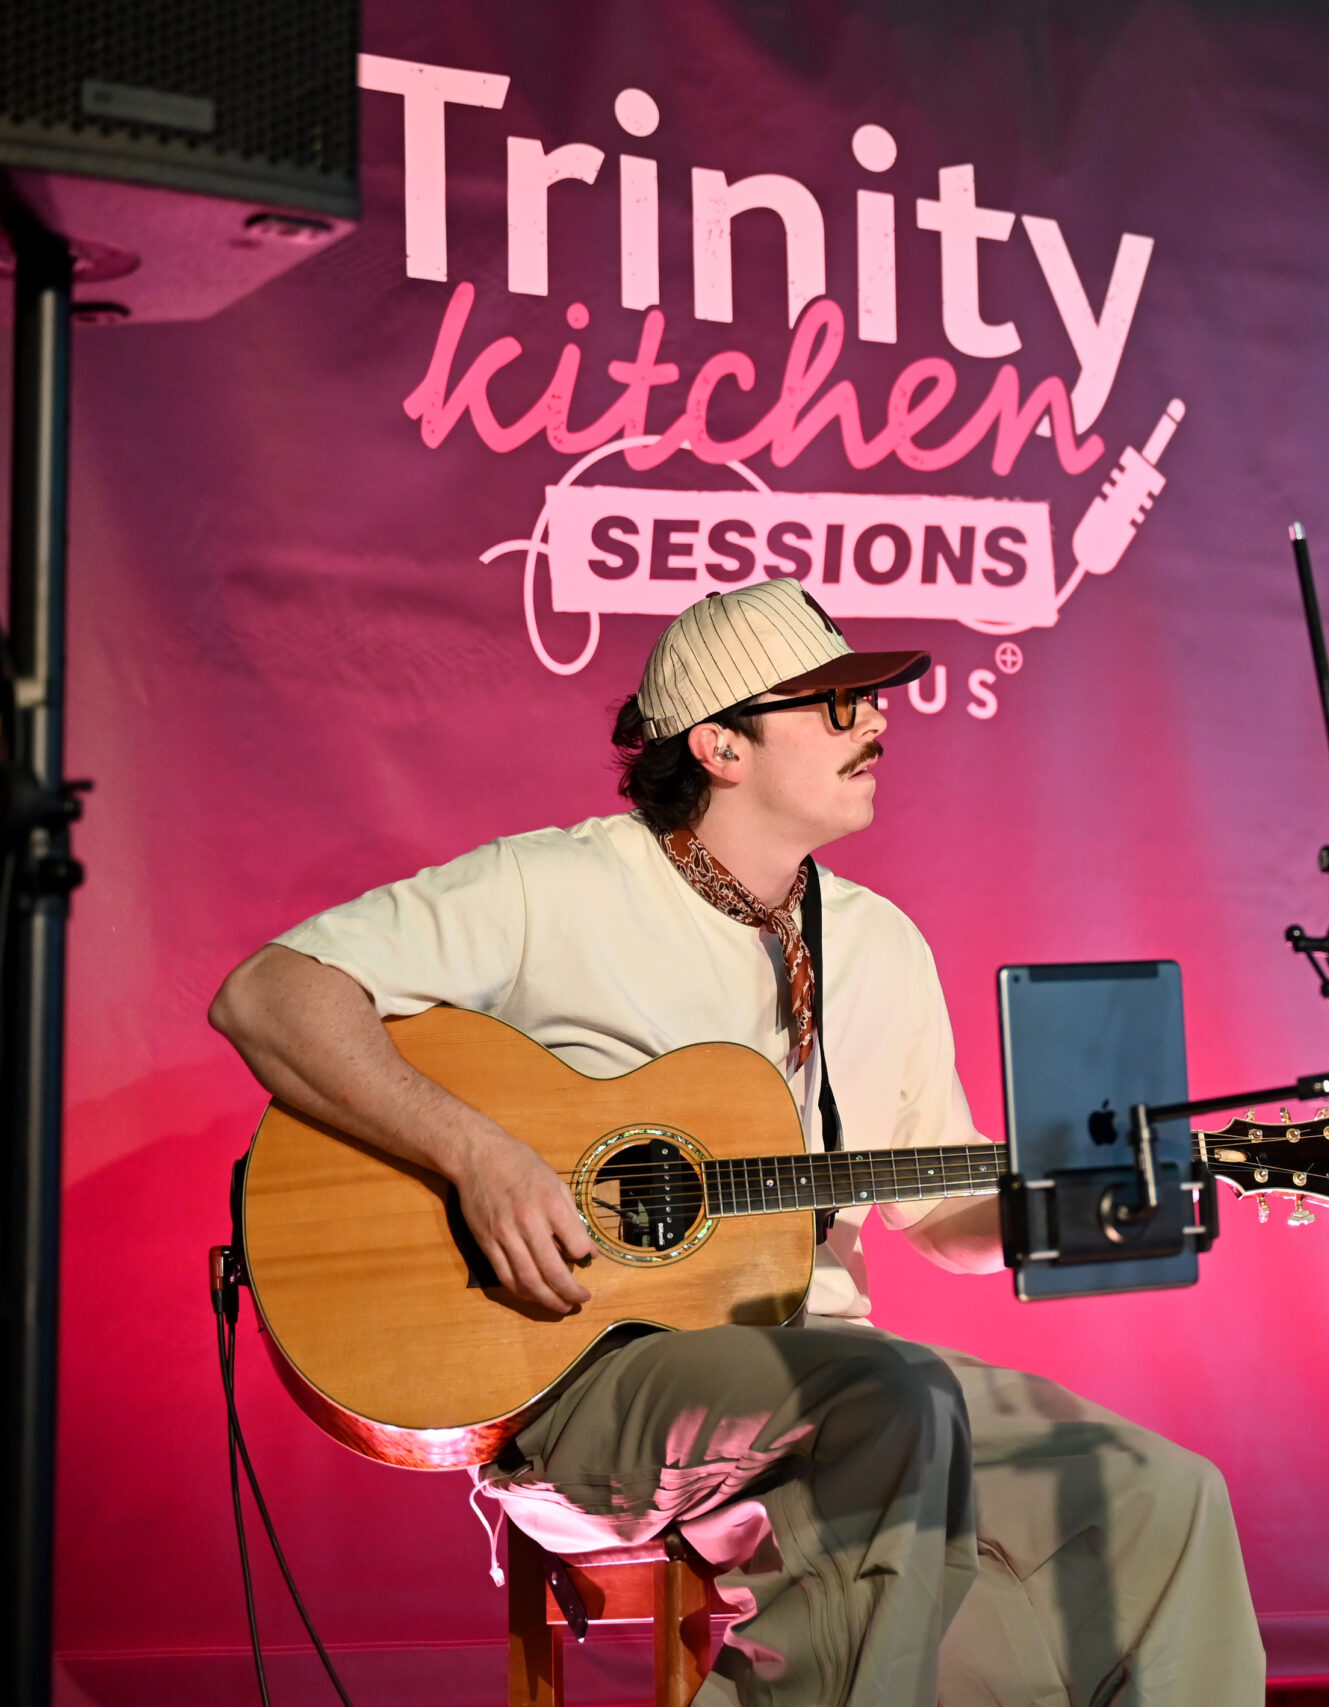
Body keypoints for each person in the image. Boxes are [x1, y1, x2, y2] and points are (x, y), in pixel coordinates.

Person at [209, 577, 1263, 1707]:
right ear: (719, 744)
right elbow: (269, 996)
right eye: (835, 706)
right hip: (595, 1379)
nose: (878, 723)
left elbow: (937, 1217)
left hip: (846, 1383)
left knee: (1160, 1494)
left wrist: (1068, 1206)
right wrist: (479, 1155)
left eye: (869, 700)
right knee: (888, 1395)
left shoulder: (877, 946)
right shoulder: (555, 885)